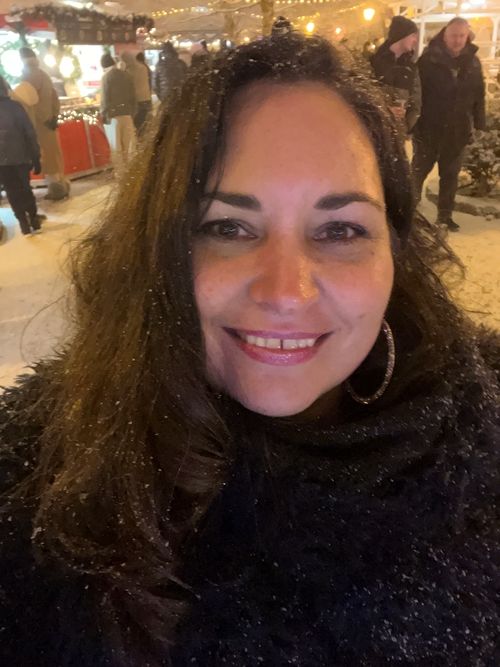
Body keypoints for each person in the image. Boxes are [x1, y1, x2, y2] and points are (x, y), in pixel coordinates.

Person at [0, 35, 498, 666]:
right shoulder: (32, 498)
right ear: (158, 247)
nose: (286, 293)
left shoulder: (480, 451)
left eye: (340, 229)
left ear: (395, 254)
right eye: (228, 227)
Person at [412, 17, 486, 232]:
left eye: (462, 36)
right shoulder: (429, 60)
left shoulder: (473, 62)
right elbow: (417, 93)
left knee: (450, 176)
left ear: (467, 36)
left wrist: (479, 123)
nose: (457, 40)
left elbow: (479, 94)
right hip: (429, 127)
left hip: (457, 130)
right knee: (418, 172)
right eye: (454, 35)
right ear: (445, 35)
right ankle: (407, 211)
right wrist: (414, 122)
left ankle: (445, 216)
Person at [19, 47, 69, 201]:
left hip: (40, 123)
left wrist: (43, 118)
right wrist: (54, 116)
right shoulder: (44, 74)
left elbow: (29, 101)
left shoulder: (28, 76)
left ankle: (56, 189)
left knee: (46, 157)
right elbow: (54, 97)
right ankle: (62, 183)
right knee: (55, 154)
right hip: (50, 121)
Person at [0, 75, 42, 235]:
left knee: (11, 191)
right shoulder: (15, 107)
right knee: (25, 188)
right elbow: (29, 132)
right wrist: (36, 157)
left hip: (2, 161)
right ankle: (33, 217)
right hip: (20, 156)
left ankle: (23, 222)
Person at [370, 15, 421, 135]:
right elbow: (364, 99)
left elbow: (416, 105)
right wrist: (385, 111)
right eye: (413, 36)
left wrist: (405, 128)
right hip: (375, 134)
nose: (416, 40)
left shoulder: (411, 69)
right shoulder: (373, 63)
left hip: (398, 136)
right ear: (402, 35)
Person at [100, 52, 136, 168]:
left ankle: (120, 174)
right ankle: (131, 172)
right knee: (129, 148)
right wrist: (132, 112)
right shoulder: (127, 75)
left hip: (113, 117)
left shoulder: (106, 77)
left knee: (117, 149)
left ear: (104, 66)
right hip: (127, 114)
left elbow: (105, 99)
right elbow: (133, 97)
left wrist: (103, 114)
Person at [121, 51, 152, 135]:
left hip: (137, 101)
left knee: (138, 126)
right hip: (147, 99)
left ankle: (141, 140)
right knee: (147, 124)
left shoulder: (128, 71)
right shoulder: (143, 67)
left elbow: (127, 88)